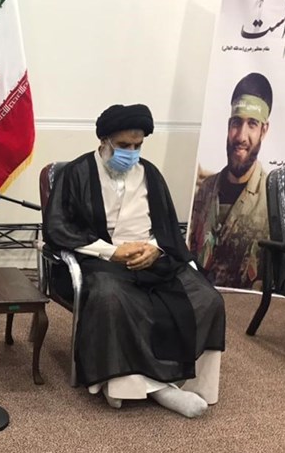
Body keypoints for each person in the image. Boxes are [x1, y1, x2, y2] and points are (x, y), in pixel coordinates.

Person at [43, 104, 225, 418]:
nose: (131, 153)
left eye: (137, 146)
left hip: (153, 257)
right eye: (123, 145)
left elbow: (167, 227)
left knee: (208, 298)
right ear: (104, 141)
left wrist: (155, 248)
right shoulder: (77, 173)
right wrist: (111, 252)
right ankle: (145, 387)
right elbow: (58, 227)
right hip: (101, 259)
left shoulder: (150, 174)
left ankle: (191, 383)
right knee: (112, 297)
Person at [190, 72, 272, 289]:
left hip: (248, 307)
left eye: (252, 124)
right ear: (228, 126)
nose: (241, 136)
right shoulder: (205, 190)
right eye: (237, 123)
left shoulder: (272, 199)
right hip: (201, 301)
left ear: (264, 130)